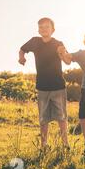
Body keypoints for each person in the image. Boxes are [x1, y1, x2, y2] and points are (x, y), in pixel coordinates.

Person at [18, 18, 69, 150]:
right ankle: (44, 145)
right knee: (43, 118)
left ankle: (65, 144)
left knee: (61, 117)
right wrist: (21, 57)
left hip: (58, 86)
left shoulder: (58, 43)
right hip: (42, 87)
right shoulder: (35, 41)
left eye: (47, 27)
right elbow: (22, 49)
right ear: (38, 29)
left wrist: (62, 54)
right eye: (41, 27)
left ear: (53, 29)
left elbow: (67, 61)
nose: (44, 29)